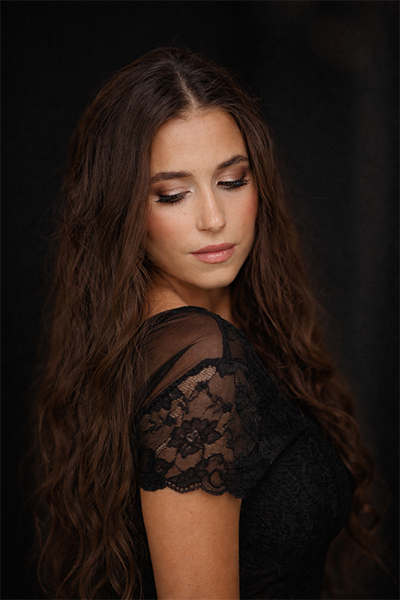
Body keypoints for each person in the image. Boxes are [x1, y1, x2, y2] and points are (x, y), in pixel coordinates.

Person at [32, 47, 378, 600]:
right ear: (121, 210)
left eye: (233, 181)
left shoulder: (182, 333)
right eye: (172, 195)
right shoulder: (199, 361)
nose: (213, 219)